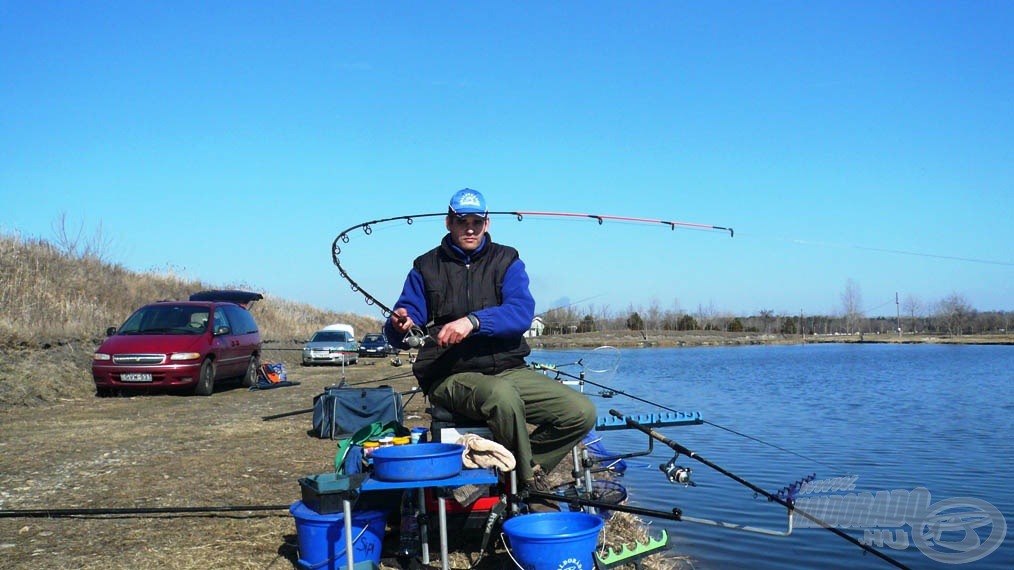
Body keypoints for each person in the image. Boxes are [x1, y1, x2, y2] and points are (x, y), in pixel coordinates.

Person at [385, 188, 597, 510]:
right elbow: (404, 323)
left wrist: (473, 321)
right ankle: (529, 488)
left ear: (487, 224)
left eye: (476, 221)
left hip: (509, 368)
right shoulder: (426, 267)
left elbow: (520, 312)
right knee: (501, 396)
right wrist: (398, 324)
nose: (469, 228)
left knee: (581, 412)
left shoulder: (507, 260)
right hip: (448, 374)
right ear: (448, 223)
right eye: (461, 221)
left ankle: (504, 472)